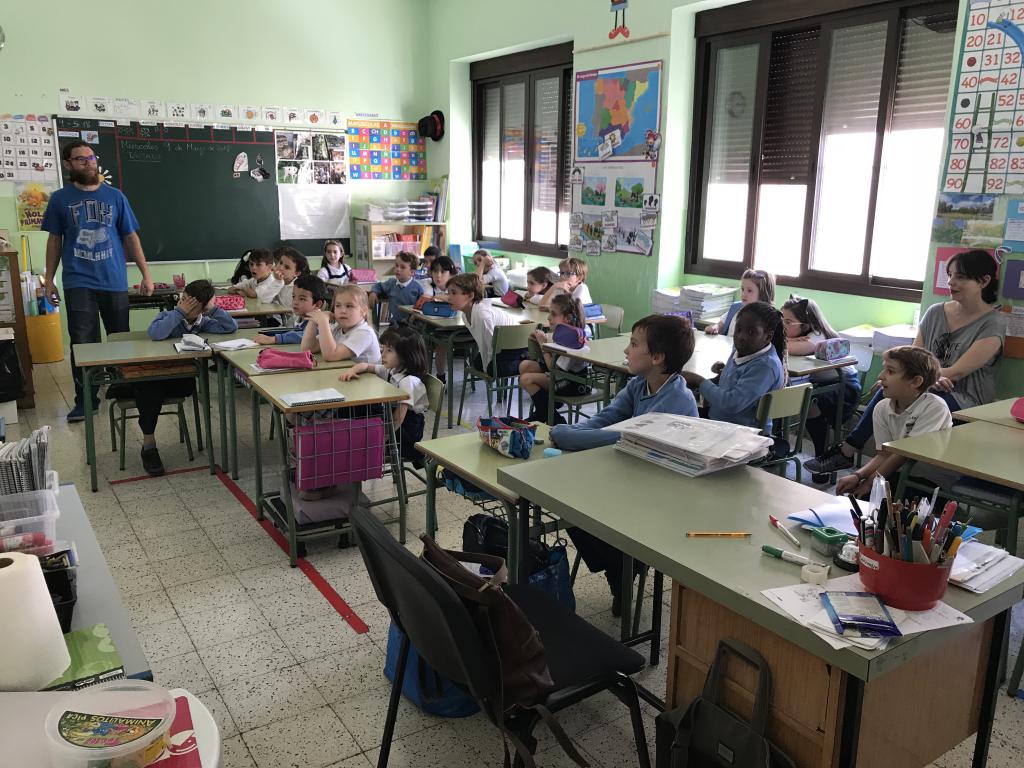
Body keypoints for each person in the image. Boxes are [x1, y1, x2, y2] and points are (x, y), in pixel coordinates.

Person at [808, 249, 1006, 475]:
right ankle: (853, 454)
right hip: (924, 385)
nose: (951, 282)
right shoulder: (935, 312)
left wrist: (925, 379)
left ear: (984, 281)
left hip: (964, 398)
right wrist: (913, 379)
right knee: (889, 388)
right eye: (950, 275)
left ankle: (855, 457)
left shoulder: (993, 322)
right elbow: (912, 358)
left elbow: (957, 372)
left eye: (960, 277)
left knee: (907, 393)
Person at [550, 314, 698, 614]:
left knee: (584, 505)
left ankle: (624, 566)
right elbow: (604, 420)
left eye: (633, 344)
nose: (626, 350)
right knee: (566, 503)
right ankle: (621, 567)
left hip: (664, 495)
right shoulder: (640, 384)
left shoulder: (676, 400)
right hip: (633, 477)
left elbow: (621, 438)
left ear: (657, 357)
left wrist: (564, 434)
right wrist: (569, 431)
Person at [41, 139, 155, 422]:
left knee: (120, 336)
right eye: (81, 159)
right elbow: (54, 241)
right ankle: (86, 400)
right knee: (83, 342)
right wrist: (49, 280)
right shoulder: (60, 199)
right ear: (68, 164)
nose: (89, 163)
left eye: (91, 157)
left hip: (113, 280)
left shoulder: (115, 197)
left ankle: (122, 387)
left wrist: (146, 274)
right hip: (78, 280)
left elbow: (131, 237)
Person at [127, 280, 237, 476]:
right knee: (149, 389)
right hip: (156, 374)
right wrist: (179, 313)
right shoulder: (168, 316)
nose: (184, 304)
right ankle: (149, 445)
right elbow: (155, 334)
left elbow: (230, 327)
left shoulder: (204, 322)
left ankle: (148, 440)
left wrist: (212, 309)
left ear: (202, 308)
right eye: (183, 299)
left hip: (181, 378)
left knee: (149, 390)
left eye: (191, 303)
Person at [835, 346, 952, 497]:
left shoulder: (935, 407)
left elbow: (903, 455)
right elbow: (884, 454)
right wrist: (858, 476)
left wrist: (869, 483)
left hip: (931, 482)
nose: (881, 376)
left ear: (916, 381)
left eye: (890, 371)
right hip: (898, 473)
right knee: (860, 499)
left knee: (882, 502)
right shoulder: (882, 407)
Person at [781, 295, 861, 482]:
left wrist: (785, 341)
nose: (782, 325)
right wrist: (789, 340)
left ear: (806, 325)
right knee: (784, 392)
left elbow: (790, 348)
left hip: (844, 387)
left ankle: (822, 457)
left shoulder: (817, 336)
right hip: (822, 384)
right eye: (781, 319)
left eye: (788, 322)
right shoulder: (800, 335)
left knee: (809, 401)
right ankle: (778, 446)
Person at [684, 301, 786, 430]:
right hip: (720, 422)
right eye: (738, 329)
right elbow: (735, 383)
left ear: (768, 337)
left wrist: (699, 381)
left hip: (746, 433)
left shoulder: (766, 366)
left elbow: (731, 404)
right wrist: (721, 377)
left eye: (751, 332)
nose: (741, 336)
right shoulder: (741, 350)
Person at [339, 326, 429, 465]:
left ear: (406, 355)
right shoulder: (393, 370)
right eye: (383, 348)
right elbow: (365, 366)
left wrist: (382, 440)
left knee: (365, 414)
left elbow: (398, 418)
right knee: (361, 410)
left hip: (406, 434)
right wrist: (352, 371)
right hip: (394, 424)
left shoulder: (408, 381)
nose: (383, 354)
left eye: (389, 350)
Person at [519, 294, 591, 425]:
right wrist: (536, 342)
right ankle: (545, 409)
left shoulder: (573, 340)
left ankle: (552, 417)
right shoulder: (563, 333)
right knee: (525, 366)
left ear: (568, 318)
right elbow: (547, 361)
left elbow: (554, 369)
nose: (548, 317)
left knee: (526, 379)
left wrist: (543, 344)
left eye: (553, 314)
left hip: (573, 383)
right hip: (561, 375)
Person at [445, 273, 524, 375]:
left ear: (470, 296)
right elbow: (484, 342)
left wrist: (488, 367)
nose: (448, 298)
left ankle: (527, 362)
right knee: (478, 363)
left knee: (492, 369)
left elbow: (492, 345)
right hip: (502, 346)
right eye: (448, 293)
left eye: (454, 293)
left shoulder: (482, 316)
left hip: (516, 345)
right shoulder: (465, 314)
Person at [302, 284, 381, 364]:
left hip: (366, 373)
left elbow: (331, 355)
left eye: (349, 306)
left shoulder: (365, 333)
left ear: (363, 311)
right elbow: (308, 348)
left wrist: (323, 322)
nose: (342, 311)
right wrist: (314, 319)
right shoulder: (337, 328)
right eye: (338, 306)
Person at [254, 273, 330, 345]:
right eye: (294, 296)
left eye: (302, 299)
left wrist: (274, 339)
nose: (295, 302)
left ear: (317, 304)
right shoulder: (297, 316)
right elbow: (289, 330)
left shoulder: (319, 321)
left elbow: (304, 336)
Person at [705, 268, 775, 336]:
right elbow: (721, 325)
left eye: (749, 291)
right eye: (742, 289)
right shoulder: (735, 308)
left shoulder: (767, 317)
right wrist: (716, 327)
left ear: (763, 294)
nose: (744, 294)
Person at [369, 251, 424, 327]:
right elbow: (379, 285)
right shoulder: (391, 283)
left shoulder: (417, 288)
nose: (398, 269)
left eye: (402, 267)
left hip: (411, 325)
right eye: (396, 265)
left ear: (412, 272)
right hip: (394, 324)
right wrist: (373, 292)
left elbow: (422, 309)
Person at [272, 246, 310, 318]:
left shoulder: (298, 289)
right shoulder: (275, 279)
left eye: (287, 267)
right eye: (280, 263)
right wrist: (276, 281)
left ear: (296, 273)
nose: (281, 268)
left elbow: (296, 315)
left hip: (290, 321)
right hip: (278, 317)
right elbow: (265, 300)